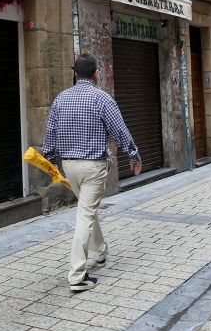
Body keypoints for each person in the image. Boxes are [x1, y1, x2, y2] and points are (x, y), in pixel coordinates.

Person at [41, 53, 142, 292]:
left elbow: (50, 135)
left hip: (69, 166)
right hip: (94, 167)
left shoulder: (60, 99)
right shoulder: (102, 98)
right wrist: (134, 155)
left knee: (87, 210)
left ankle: (100, 252)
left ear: (74, 73)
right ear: (96, 73)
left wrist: (48, 160)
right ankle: (77, 276)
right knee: (85, 215)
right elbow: (120, 130)